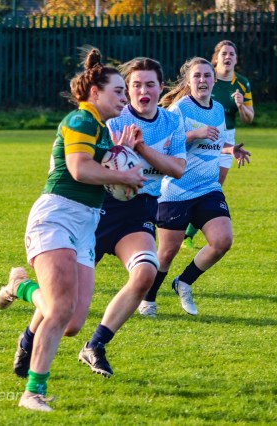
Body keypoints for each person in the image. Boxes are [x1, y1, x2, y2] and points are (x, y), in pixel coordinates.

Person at [0, 48, 145, 412]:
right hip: (57, 216)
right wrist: (124, 176)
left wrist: (120, 152)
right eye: (118, 91)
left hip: (86, 224)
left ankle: (20, 286)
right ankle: (33, 392)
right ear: (95, 92)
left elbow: (100, 167)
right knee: (60, 307)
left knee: (73, 322)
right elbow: (79, 169)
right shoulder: (80, 120)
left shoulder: (102, 130)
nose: (124, 98)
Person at [77, 57, 187, 377]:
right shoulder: (114, 118)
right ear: (127, 89)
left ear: (161, 88)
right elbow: (91, 164)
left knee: (145, 273)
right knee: (66, 298)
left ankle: (95, 345)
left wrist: (141, 149)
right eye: (136, 85)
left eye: (150, 84)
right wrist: (119, 152)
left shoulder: (171, 122)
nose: (143, 91)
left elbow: (177, 169)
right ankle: (25, 320)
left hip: (140, 209)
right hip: (100, 208)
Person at [140, 57, 249, 317]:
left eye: (207, 76)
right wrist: (193, 134)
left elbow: (213, 143)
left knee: (222, 241)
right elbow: (164, 144)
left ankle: (184, 281)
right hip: (176, 190)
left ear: (214, 80)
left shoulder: (218, 109)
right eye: (197, 76)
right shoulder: (179, 109)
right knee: (167, 253)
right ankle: (148, 299)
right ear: (189, 81)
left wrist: (230, 149)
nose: (202, 80)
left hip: (208, 188)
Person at [182, 40, 254, 249]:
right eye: (224, 53)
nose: (228, 57)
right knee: (193, 180)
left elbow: (249, 118)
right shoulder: (205, 77)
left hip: (225, 137)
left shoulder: (242, 83)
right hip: (199, 133)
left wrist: (241, 106)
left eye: (232, 53)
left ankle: (188, 234)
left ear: (236, 59)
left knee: (214, 185)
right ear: (216, 58)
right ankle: (175, 219)